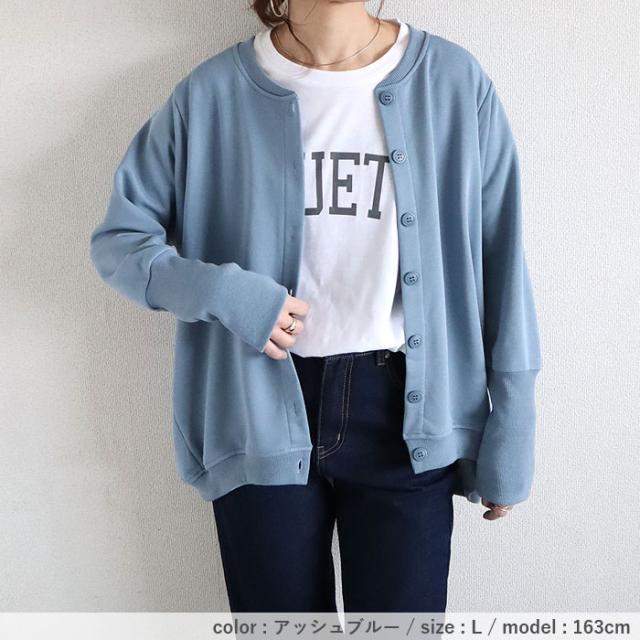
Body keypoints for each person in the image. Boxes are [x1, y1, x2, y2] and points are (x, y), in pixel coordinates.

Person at [89, 0, 542, 614]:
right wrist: (224, 293)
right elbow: (120, 241)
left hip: (406, 416)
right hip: (255, 407)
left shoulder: (453, 84)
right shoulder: (212, 95)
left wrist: (512, 424)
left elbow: (501, 258)